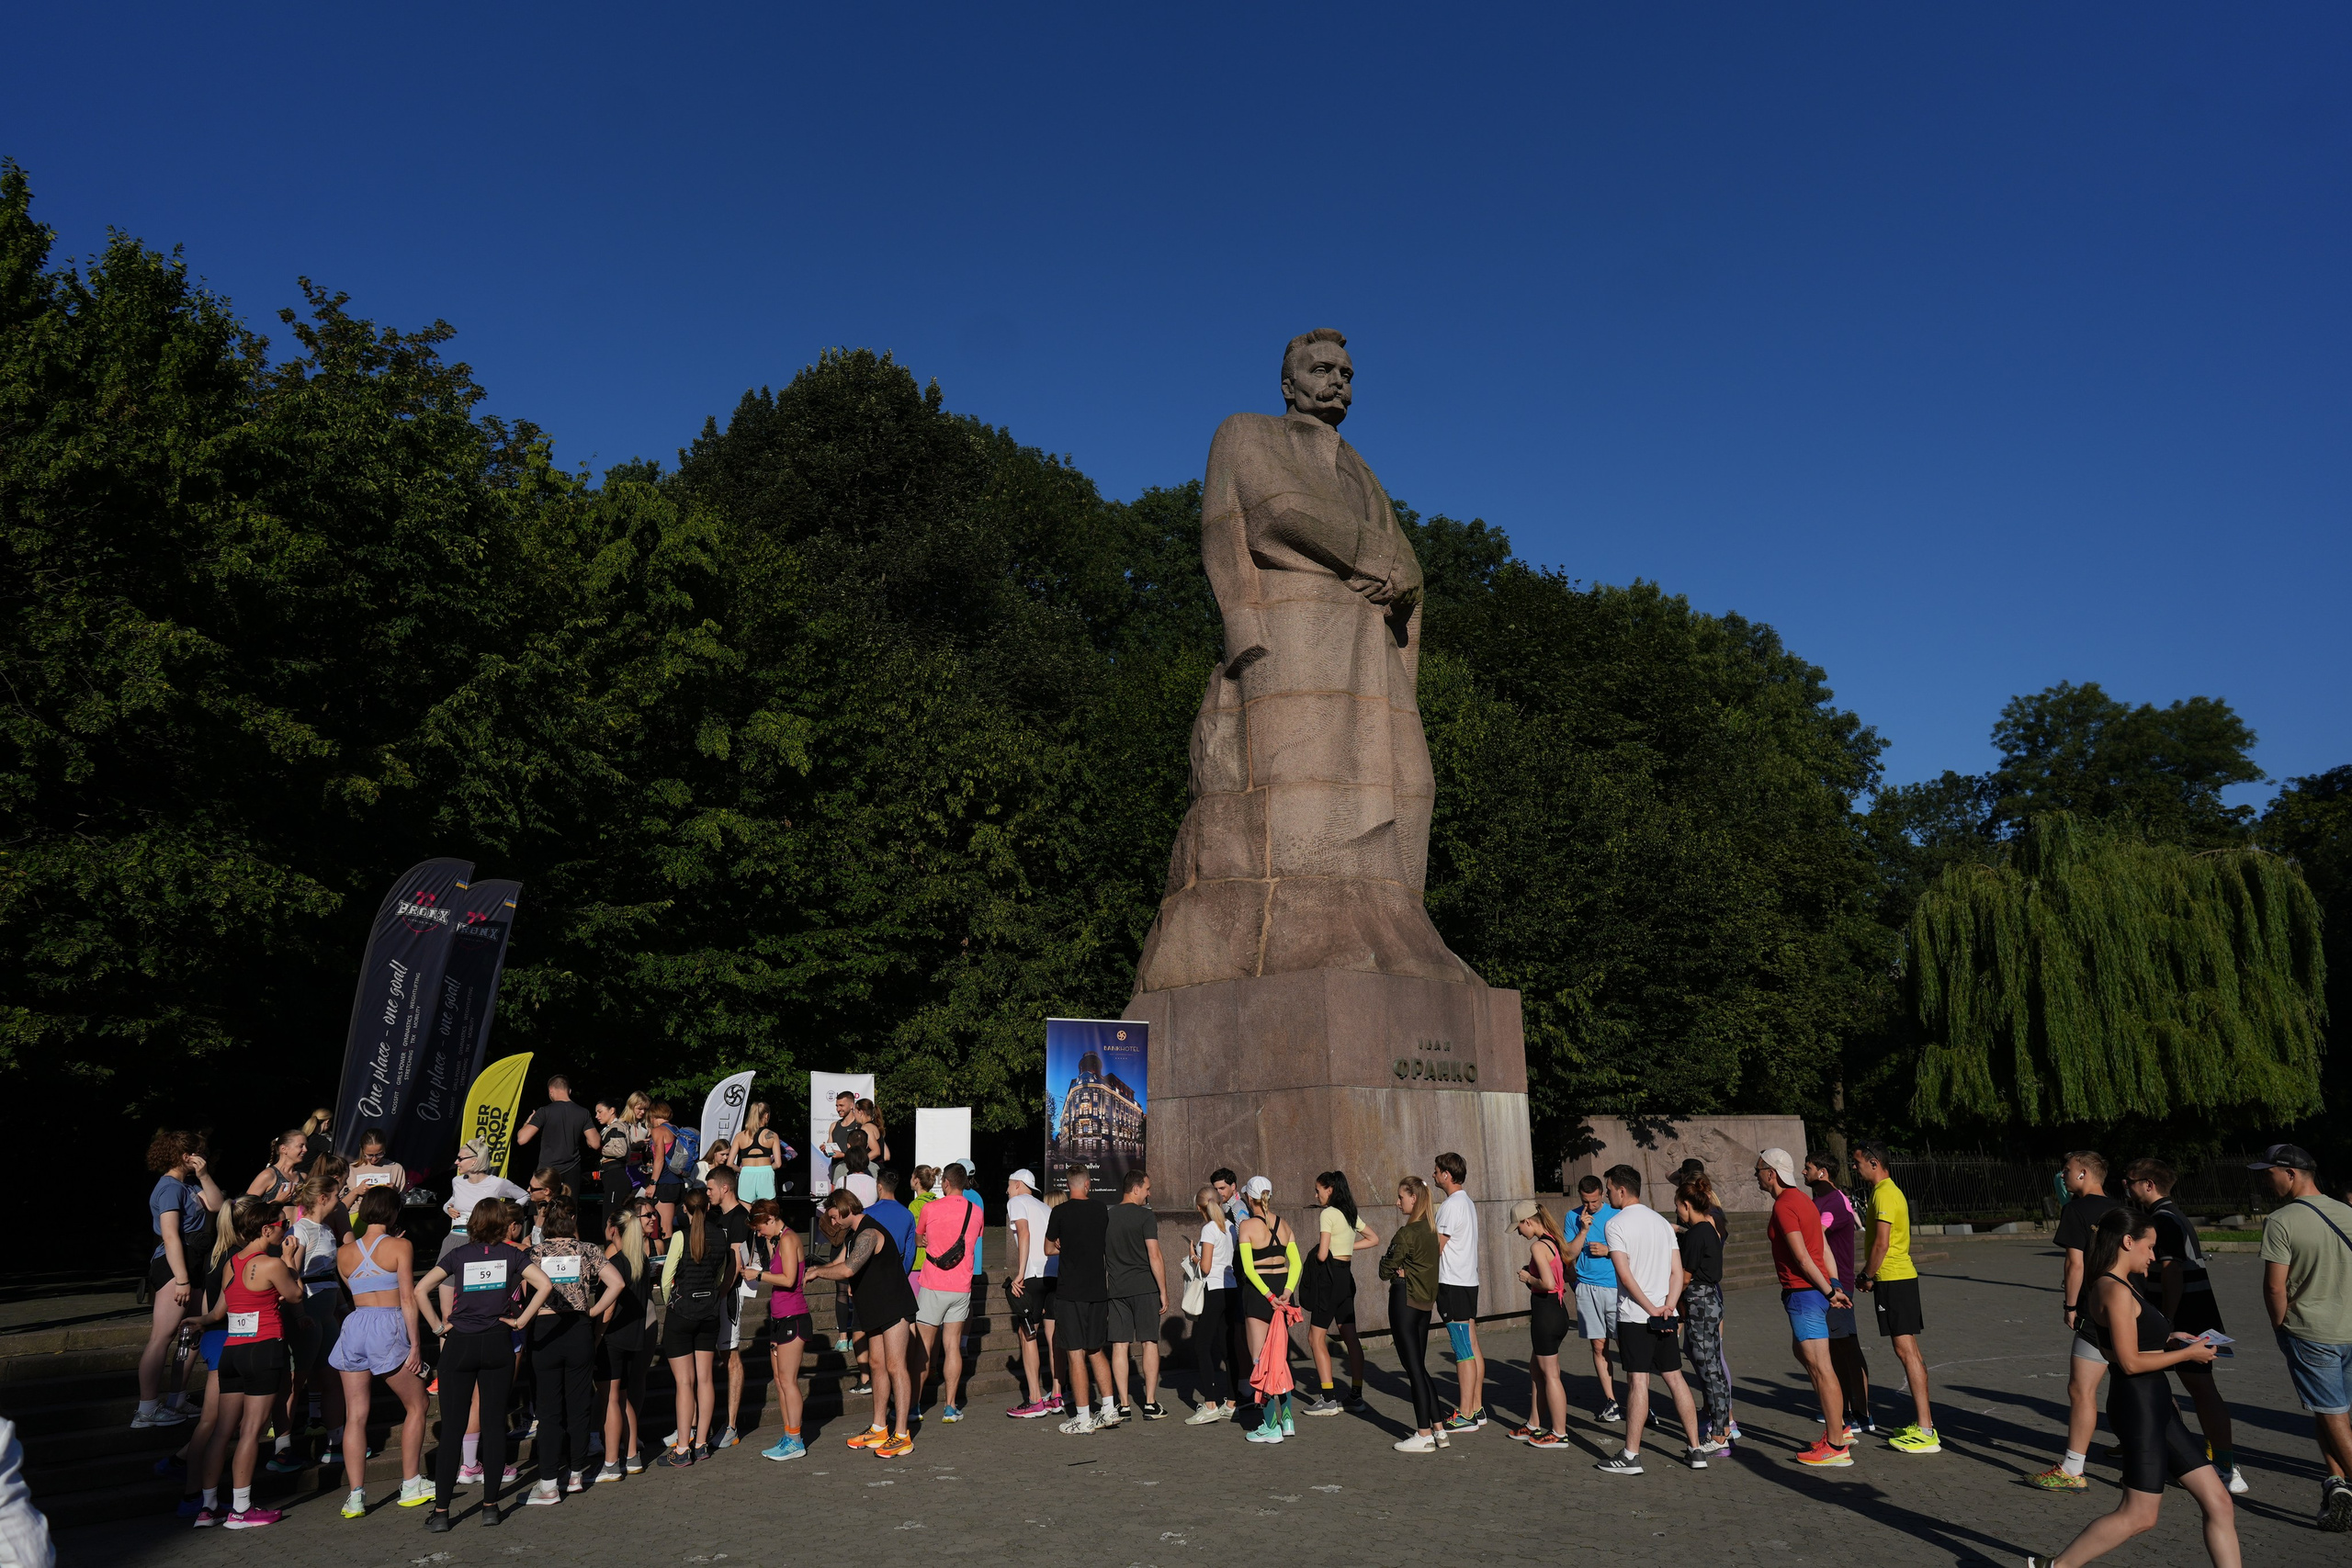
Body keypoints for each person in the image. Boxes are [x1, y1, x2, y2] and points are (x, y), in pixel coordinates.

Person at [2021, 1207, 2241, 1568]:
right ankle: (2055, 1567)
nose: (2154, 1256)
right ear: (2128, 1242)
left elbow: (2136, 1343)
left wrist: (2172, 1340)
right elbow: (2128, 1362)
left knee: (2219, 1501)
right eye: (2150, 1247)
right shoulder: (2113, 1289)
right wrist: (2190, 1356)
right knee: (2139, 1516)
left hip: (2157, 1406)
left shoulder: (2122, 1286)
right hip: (2137, 1407)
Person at [416, 1198, 553, 1529]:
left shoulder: (459, 1254)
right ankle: (490, 1507)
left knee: (452, 1429)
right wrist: (520, 1322)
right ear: (503, 1224)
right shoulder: (512, 1254)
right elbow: (545, 1285)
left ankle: (441, 1514)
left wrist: (438, 1326)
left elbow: (421, 1289)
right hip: (497, 1343)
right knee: (494, 1427)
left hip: (460, 1343)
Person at [2124, 1157, 2243, 1494]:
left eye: (2130, 1180)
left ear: (2148, 1184)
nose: (2126, 1186)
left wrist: (2166, 1319)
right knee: (2172, 1386)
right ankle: (2193, 1456)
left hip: (2186, 1314)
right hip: (2192, 1310)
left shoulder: (2163, 1220)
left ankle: (2221, 1465)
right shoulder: (2172, 1214)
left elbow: (2172, 1271)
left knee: (2197, 1390)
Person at [2254, 1143, 2352, 1531]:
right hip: (2348, 1329)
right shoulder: (2347, 1212)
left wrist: (2280, 1325)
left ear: (2291, 1174)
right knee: (2333, 1412)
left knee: (2332, 1414)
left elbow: (2275, 1289)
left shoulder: (2281, 1220)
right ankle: (2336, 1483)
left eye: (2269, 1172)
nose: (2266, 1180)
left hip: (2312, 1332)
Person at [193, 1200, 302, 1529]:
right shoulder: (271, 1264)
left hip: (233, 1352)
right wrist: (288, 1259)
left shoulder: (232, 1263)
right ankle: (241, 1509)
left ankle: (208, 1507)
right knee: (251, 1432)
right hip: (263, 1351)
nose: (286, 1229)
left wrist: (199, 1320)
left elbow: (217, 1313)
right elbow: (296, 1296)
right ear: (266, 1229)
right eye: (283, 1224)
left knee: (222, 1432)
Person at [1595, 1166, 1707, 1475]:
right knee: (1675, 1377)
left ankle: (1631, 1455)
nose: (1606, 1194)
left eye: (1608, 1188)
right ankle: (1696, 1448)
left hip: (1636, 1316)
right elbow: (1677, 1270)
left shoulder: (1615, 1224)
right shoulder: (1661, 1222)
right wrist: (1669, 1305)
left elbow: (1624, 1273)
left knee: (1638, 1381)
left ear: (1621, 1190)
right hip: (1665, 1314)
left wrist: (1650, 1307)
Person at [329, 1186, 430, 1514]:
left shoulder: (343, 1252)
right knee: (418, 1403)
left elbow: (353, 1288)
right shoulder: (401, 1245)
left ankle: (355, 1495)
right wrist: (416, 1344)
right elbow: (406, 1297)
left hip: (355, 1326)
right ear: (393, 1212)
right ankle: (411, 1482)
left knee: (355, 1416)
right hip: (387, 1326)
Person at [2035, 1149, 2127, 1491]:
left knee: (2081, 1389)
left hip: (2097, 1310)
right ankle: (2170, 1456)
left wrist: (2070, 1306)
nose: (2063, 1175)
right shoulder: (2123, 1210)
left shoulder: (2075, 1210)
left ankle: (2073, 1468)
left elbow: (2075, 1264)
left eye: (2068, 1169)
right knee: (2139, 1382)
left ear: (2085, 1174)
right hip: (2131, 1307)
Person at [1757, 1146, 1854, 1467]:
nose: (1755, 1175)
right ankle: (1837, 1429)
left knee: (1821, 1368)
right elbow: (1823, 1247)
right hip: (1812, 1292)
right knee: (1806, 1355)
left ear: (1771, 1173)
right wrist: (1834, 1284)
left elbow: (1802, 1256)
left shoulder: (1786, 1205)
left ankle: (1837, 1445)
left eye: (1758, 1170)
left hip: (1804, 1293)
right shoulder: (1804, 1201)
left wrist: (1829, 1291)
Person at [522, 1199, 624, 1503]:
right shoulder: (589, 1250)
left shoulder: (534, 1254)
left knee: (549, 1409)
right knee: (580, 1404)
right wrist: (592, 1312)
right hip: (579, 1329)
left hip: (545, 1331)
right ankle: (577, 1473)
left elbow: (525, 1293)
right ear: (573, 1219)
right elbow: (616, 1283)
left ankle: (549, 1483)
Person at [808, 1188, 918, 1457]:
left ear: (845, 1208)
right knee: (877, 1365)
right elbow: (839, 1261)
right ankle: (879, 1428)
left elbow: (847, 1268)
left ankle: (902, 1434)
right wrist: (813, 1268)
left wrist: (818, 1273)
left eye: (834, 1216)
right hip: (874, 1308)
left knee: (895, 1365)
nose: (833, 1222)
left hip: (894, 1305)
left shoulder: (869, 1232)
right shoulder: (854, 1234)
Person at [1852, 1142, 1939, 1455]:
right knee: (1909, 1349)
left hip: (1894, 1278)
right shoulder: (1882, 1192)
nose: (1855, 1167)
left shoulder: (1885, 1193)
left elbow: (1882, 1243)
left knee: (1906, 1351)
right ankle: (1924, 1424)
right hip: (1896, 1278)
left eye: (1858, 1162)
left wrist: (1867, 1276)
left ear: (1875, 1163)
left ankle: (1926, 1430)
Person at [137, 1131, 220, 1429]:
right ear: (187, 1156)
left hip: (194, 1261)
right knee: (162, 1336)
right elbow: (170, 1235)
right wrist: (182, 1280)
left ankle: (177, 1398)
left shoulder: (189, 1185)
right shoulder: (169, 1188)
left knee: (193, 1331)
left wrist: (205, 1174)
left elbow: (217, 1205)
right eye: (200, 1154)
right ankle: (146, 1409)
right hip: (175, 1264)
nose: (204, 1157)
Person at [655, 1190, 737, 1466]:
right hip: (709, 1313)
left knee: (684, 1383)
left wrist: (671, 1304)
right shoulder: (721, 1236)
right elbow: (721, 1275)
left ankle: (682, 1449)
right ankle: (701, 1444)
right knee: (705, 1380)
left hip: (682, 1313)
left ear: (686, 1211)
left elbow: (667, 1279)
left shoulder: (680, 1236)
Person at [1804, 1150, 1875, 1438]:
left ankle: (1859, 1413)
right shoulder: (1820, 1200)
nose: (1803, 1172)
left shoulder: (1833, 1201)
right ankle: (1847, 1409)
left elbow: (1815, 1234)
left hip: (1838, 1284)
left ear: (1822, 1171)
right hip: (1825, 1283)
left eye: (1807, 1168)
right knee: (1836, 1347)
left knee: (1846, 1347)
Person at [1045, 1167, 1115, 1433]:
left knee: (1075, 1353)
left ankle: (1083, 1417)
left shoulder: (1059, 1212)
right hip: (1097, 1290)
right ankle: (1108, 1409)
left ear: (1068, 1185)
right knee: (1096, 1349)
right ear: (1087, 1184)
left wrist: (1062, 1244)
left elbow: (1048, 1248)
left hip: (1070, 1291)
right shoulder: (1100, 1210)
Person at [913, 1161, 983, 1420]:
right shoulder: (976, 1212)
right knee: (952, 1347)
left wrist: (926, 1240)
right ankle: (951, 1406)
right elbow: (973, 1239)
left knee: (923, 1348)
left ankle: (914, 1407)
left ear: (946, 1183)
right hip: (961, 1286)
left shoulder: (929, 1208)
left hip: (932, 1284)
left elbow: (920, 1239)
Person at [1236, 1175, 1303, 1443]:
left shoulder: (1246, 1226)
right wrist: (1285, 1293)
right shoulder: (1285, 1225)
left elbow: (1248, 1268)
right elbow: (1296, 1263)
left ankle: (1270, 1425)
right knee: (1280, 1360)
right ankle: (1287, 1419)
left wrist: (1268, 1295)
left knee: (1260, 1362)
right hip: (1283, 1291)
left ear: (1249, 1198)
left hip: (1259, 1293)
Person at [1381, 1176, 1445, 1451]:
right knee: (1419, 1366)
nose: (1397, 1202)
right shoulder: (1431, 1230)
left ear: (1414, 1198)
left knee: (1414, 1370)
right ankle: (1439, 1430)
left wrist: (1396, 1268)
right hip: (1424, 1306)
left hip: (1405, 1301)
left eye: (1401, 1197)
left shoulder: (1407, 1233)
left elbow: (1384, 1270)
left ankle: (1423, 1434)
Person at [1303, 1170, 1375, 1415]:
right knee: (1350, 1336)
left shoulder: (1329, 1213)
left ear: (1329, 1189)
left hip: (1329, 1279)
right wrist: (1347, 1247)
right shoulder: (1349, 1212)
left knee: (1315, 1338)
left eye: (1318, 1189)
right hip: (1347, 1278)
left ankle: (1328, 1398)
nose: (1316, 1194)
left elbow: (1323, 1254)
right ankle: (1355, 1395)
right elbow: (1373, 1239)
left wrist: (1325, 1251)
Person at [592, 1209, 655, 1482]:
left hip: (613, 1338)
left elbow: (607, 1311)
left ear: (613, 1230)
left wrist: (595, 1338)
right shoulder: (640, 1260)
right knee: (624, 1397)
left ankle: (610, 1463)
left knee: (610, 1400)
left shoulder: (616, 1263)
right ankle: (631, 1457)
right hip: (634, 1337)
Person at [1104, 1168, 1169, 1420]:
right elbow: (1155, 1255)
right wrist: (1163, 1290)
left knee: (1120, 1345)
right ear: (1135, 1189)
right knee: (1149, 1342)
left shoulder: (1108, 1217)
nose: (1149, 1193)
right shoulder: (1145, 1217)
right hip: (1144, 1287)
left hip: (1117, 1288)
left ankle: (1123, 1404)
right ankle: (1151, 1404)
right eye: (1147, 1188)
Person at [1674, 1178, 1733, 1454]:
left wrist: (1669, 1299)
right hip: (1710, 1300)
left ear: (1687, 1205)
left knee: (1709, 1369)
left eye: (1679, 1207)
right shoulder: (1708, 1228)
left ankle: (1719, 1433)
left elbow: (1685, 1277)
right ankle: (1723, 1426)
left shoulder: (1697, 1233)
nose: (1678, 1213)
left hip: (1700, 1303)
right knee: (1714, 1369)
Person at [750, 1201, 811, 1461]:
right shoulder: (777, 1240)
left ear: (771, 1218)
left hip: (793, 1316)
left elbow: (788, 1279)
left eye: (760, 1227)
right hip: (779, 1317)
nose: (760, 1232)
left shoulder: (788, 1239)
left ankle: (796, 1440)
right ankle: (789, 1434)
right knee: (779, 1380)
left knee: (788, 1380)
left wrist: (759, 1275)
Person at [1507, 1199, 1571, 1448]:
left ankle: (1559, 1432)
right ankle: (1534, 1423)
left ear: (1528, 1221)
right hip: (1557, 1312)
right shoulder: (1553, 1240)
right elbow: (1564, 1274)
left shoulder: (1538, 1247)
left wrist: (1527, 1276)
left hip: (1546, 1314)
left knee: (1551, 1375)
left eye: (1519, 1227)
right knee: (1536, 1368)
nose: (1519, 1233)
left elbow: (1547, 1283)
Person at [1430, 1152, 1485, 1432]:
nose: (1433, 1175)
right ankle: (1475, 1406)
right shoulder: (1466, 1202)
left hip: (1453, 1283)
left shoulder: (1452, 1205)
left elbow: (1436, 1247)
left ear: (1446, 1175)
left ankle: (1465, 1414)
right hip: (1467, 1281)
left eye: (1436, 1171)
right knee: (1472, 1343)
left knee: (1462, 1347)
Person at [703, 1167, 756, 1449]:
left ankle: (731, 1425)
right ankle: (698, 1423)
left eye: (710, 1188)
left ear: (725, 1188)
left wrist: (720, 1294)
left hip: (728, 1296)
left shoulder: (740, 1218)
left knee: (730, 1354)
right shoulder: (712, 1215)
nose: (707, 1192)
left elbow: (736, 1261)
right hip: (706, 1295)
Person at [1567, 1174, 1622, 1423]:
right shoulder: (1573, 1217)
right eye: (1586, 1201)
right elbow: (1568, 1254)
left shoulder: (1616, 1214)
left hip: (1615, 1287)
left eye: (1595, 1201)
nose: (1590, 1206)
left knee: (1628, 1346)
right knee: (1598, 1345)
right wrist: (1584, 1229)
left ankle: (1640, 1400)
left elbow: (1633, 1249)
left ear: (1602, 1194)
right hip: (1587, 1287)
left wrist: (1609, 1251)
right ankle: (1611, 1401)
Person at [1003, 1169, 1057, 1418]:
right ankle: (1057, 1395)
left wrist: (1020, 1273)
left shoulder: (1016, 1202)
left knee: (1027, 1334)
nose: (1006, 1190)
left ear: (1017, 1185)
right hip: (1054, 1274)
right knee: (1053, 1335)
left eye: (1008, 1185)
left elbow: (1024, 1233)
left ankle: (1035, 1399)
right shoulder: (1045, 1207)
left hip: (1034, 1273)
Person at [1186, 1184, 1241, 1425]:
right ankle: (1231, 1401)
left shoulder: (1209, 1228)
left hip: (1214, 1290)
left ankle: (1209, 1403)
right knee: (1226, 1344)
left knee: (1202, 1346)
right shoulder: (1229, 1226)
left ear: (1200, 1208)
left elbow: (1206, 1267)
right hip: (1230, 1289)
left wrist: (1194, 1257)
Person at [443, 1138, 528, 1260]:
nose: (456, 1162)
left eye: (460, 1159)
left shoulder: (497, 1183)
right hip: (455, 1238)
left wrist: (504, 1212)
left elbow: (524, 1195)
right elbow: (450, 1202)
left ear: (474, 1161)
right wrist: (448, 1209)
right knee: (445, 1278)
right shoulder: (457, 1181)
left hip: (484, 1240)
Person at [514, 1076, 595, 1198]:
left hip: (547, 1171)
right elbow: (595, 1143)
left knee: (542, 1209)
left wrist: (527, 1122)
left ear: (551, 1090)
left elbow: (522, 1139)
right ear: (569, 1091)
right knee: (568, 1209)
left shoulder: (545, 1111)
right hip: (572, 1169)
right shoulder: (583, 1112)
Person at [731, 1101, 786, 1202]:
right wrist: (767, 1168)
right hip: (765, 1174)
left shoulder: (739, 1136)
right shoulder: (772, 1135)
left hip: (746, 1174)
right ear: (766, 1115)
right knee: (767, 1213)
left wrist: (744, 1171)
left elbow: (730, 1164)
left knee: (745, 1211)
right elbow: (778, 1164)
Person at [341, 1128, 407, 1202]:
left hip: (385, 1212)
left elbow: (402, 1203)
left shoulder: (396, 1169)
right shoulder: (351, 1169)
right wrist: (356, 1191)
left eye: (379, 1154)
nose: (374, 1159)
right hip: (357, 1213)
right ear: (362, 1150)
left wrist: (394, 1191)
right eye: (369, 1155)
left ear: (385, 1148)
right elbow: (340, 1206)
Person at [245, 1131, 306, 1202]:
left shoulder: (303, 1177)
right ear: (284, 1149)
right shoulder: (268, 1175)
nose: (305, 1150)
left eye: (306, 1146)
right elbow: (246, 1205)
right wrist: (277, 1201)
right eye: (300, 1146)